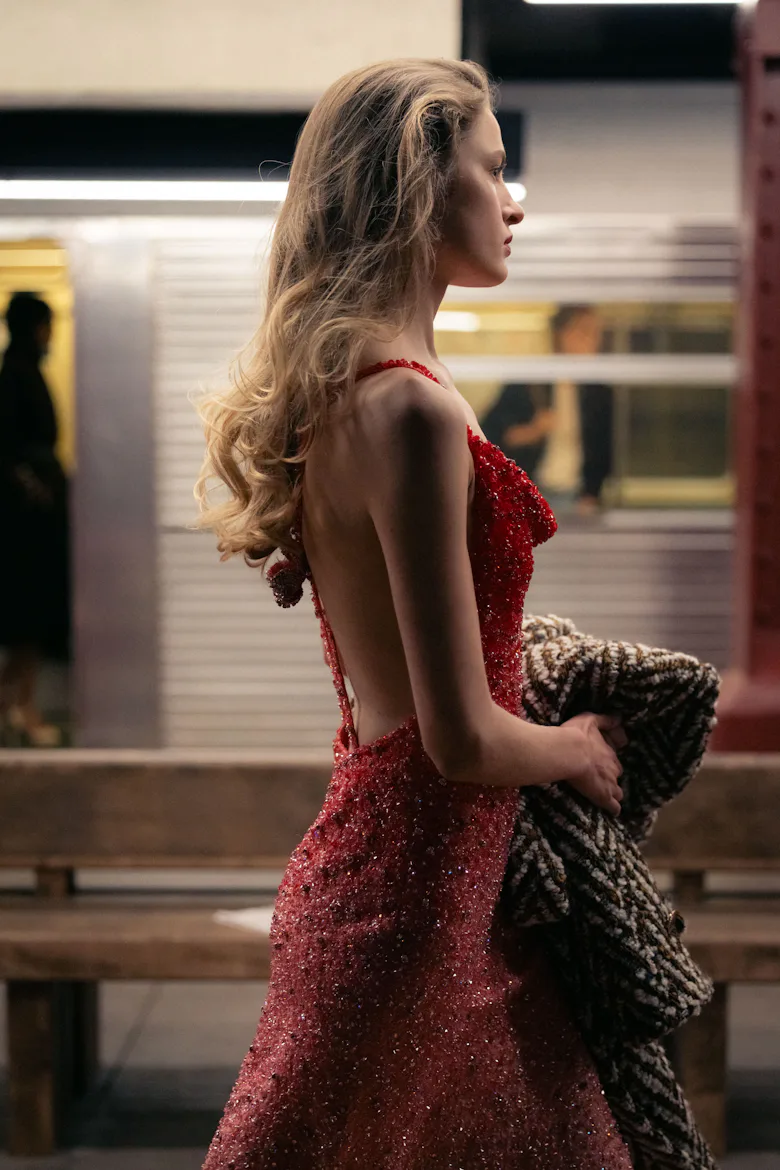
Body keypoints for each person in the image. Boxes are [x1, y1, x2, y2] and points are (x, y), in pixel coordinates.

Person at [195, 58, 632, 1169]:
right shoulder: (416, 410)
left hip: (404, 882)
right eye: (494, 169)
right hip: (421, 899)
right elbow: (462, 735)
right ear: (420, 186)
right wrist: (575, 748)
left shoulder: (346, 393)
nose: (515, 198)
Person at [0, 292, 70, 747]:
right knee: (27, 619)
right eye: (46, 325)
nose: (50, 334)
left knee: (30, 620)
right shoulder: (15, 378)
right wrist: (36, 487)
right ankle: (21, 709)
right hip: (24, 524)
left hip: (30, 518)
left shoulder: (20, 372)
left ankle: (16, 706)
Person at [481, 305, 614, 516]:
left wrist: (592, 494)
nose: (592, 341)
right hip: (529, 495)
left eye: (596, 333)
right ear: (560, 334)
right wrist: (532, 431)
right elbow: (488, 436)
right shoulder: (529, 383)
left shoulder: (599, 392)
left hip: (576, 497)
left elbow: (605, 450)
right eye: (583, 331)